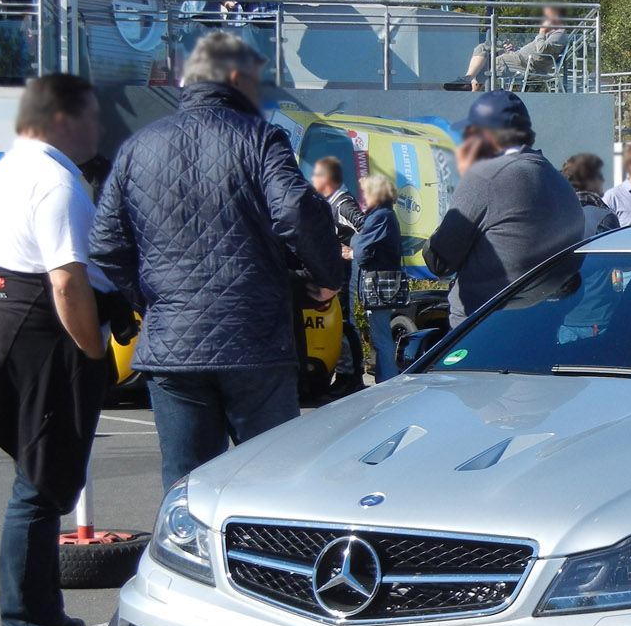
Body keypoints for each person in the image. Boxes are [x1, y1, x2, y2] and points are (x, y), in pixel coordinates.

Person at [90, 32, 345, 488]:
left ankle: (187, 561)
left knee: (186, 487)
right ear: (233, 78)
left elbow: (107, 245)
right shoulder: (261, 138)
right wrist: (327, 278)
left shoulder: (137, 147)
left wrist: (154, 300)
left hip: (174, 344)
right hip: (254, 338)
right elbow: (295, 211)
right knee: (269, 484)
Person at [0, 74, 116, 626]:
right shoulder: (57, 181)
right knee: (38, 488)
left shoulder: (8, 170)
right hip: (46, 348)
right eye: (90, 117)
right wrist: (95, 352)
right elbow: (66, 280)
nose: (97, 128)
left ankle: (44, 616)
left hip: (10, 338)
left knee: (38, 484)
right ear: (60, 117)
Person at [428, 91, 583, 326]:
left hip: (481, 333)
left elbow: (439, 261)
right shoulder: (556, 179)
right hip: (544, 326)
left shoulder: (486, 177)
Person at [309, 156, 366, 394]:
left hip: (345, 271)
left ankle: (352, 377)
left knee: (345, 322)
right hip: (334, 270)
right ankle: (343, 373)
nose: (312, 180)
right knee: (338, 323)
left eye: (316, 175)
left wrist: (353, 252)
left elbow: (366, 226)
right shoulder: (330, 202)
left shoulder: (342, 203)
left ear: (327, 179)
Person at [353, 174, 405, 383]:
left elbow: (361, 252)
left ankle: (387, 382)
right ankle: (386, 379)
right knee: (382, 337)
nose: (363, 196)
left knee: (381, 338)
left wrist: (354, 248)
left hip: (378, 286)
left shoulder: (379, 216)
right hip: (383, 283)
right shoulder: (386, 215)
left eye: (366, 192)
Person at [458, 5, 568, 90]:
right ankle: (468, 79)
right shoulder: (552, 32)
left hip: (525, 65)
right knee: (483, 47)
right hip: (518, 57)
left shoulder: (559, 34)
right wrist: (515, 48)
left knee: (486, 65)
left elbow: (542, 50)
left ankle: (468, 88)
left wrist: (542, 31)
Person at [561, 152, 614, 237]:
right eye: (599, 175)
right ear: (589, 181)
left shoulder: (556, 212)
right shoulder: (603, 218)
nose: (603, 180)